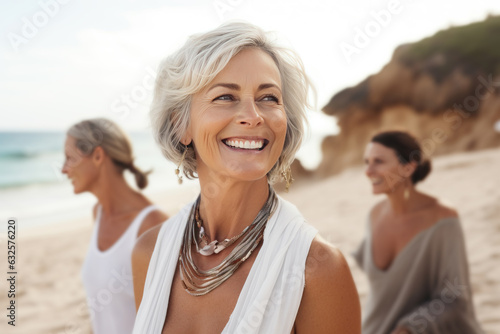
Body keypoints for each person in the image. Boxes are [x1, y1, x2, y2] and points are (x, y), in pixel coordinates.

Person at [132, 22, 361, 333]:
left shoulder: (317, 269)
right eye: (225, 97)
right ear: (180, 125)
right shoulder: (149, 253)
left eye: (268, 98)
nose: (253, 117)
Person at [354, 130, 483, 334]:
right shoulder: (374, 215)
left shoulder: (443, 220)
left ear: (408, 168)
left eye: (378, 161)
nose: (368, 171)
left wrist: (408, 328)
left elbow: (455, 298)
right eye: (366, 161)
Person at [62, 118, 168, 334]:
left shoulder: (152, 225)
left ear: (98, 156)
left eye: (70, 158)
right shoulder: (98, 214)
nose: (64, 169)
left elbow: (161, 322)